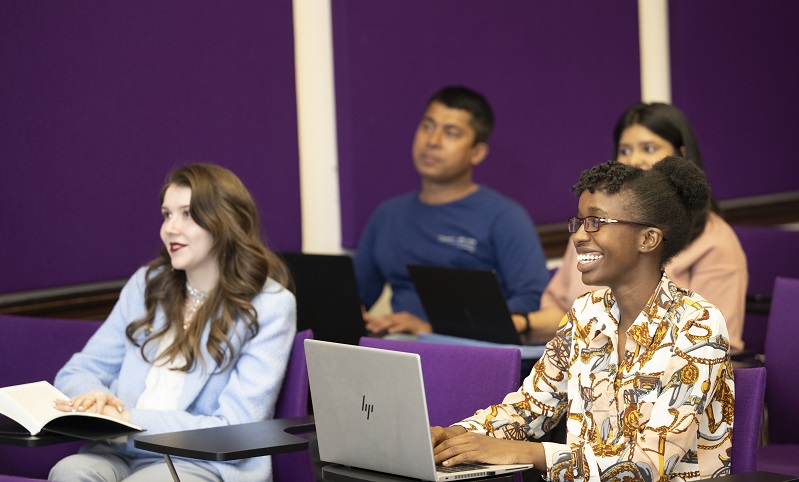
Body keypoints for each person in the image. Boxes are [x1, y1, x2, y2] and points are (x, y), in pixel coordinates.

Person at [432, 157, 735, 480]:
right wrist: (456, 436)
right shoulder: (585, 314)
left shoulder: (698, 324)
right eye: (578, 222)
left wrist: (528, 453)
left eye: (596, 222)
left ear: (647, 239)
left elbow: (647, 464)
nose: (578, 236)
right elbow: (528, 409)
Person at [49, 164, 296, 482]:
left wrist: (127, 419)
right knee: (68, 473)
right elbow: (78, 371)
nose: (170, 228)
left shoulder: (271, 305)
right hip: (117, 451)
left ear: (226, 222)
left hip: (202, 461)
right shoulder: (147, 283)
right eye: (167, 214)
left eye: (188, 214)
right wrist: (95, 400)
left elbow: (236, 427)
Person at [517, 102, 747, 351]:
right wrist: (522, 324)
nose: (634, 160)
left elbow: (715, 341)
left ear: (680, 156)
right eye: (625, 150)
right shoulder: (590, 229)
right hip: (583, 363)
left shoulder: (714, 240)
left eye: (649, 148)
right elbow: (564, 315)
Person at [354, 86, 550, 336]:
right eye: (427, 126)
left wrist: (433, 330)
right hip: (399, 350)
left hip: (472, 354)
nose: (432, 141)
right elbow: (358, 295)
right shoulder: (387, 215)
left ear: (477, 152)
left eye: (451, 133)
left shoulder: (505, 218)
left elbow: (531, 301)